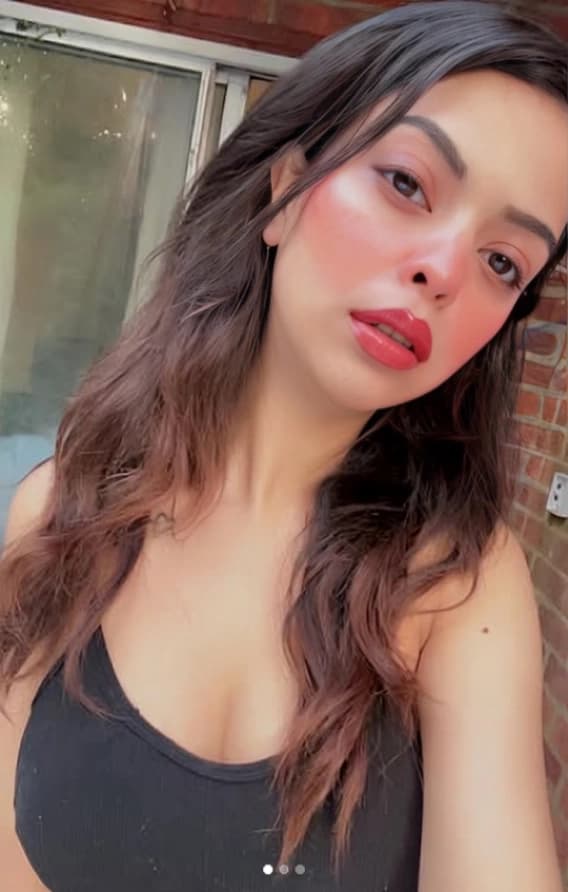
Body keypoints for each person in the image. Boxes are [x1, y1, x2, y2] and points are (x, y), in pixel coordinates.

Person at [1, 1, 567, 890]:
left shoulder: (456, 586)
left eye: (503, 262)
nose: (444, 270)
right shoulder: (63, 510)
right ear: (283, 192)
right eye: (407, 182)